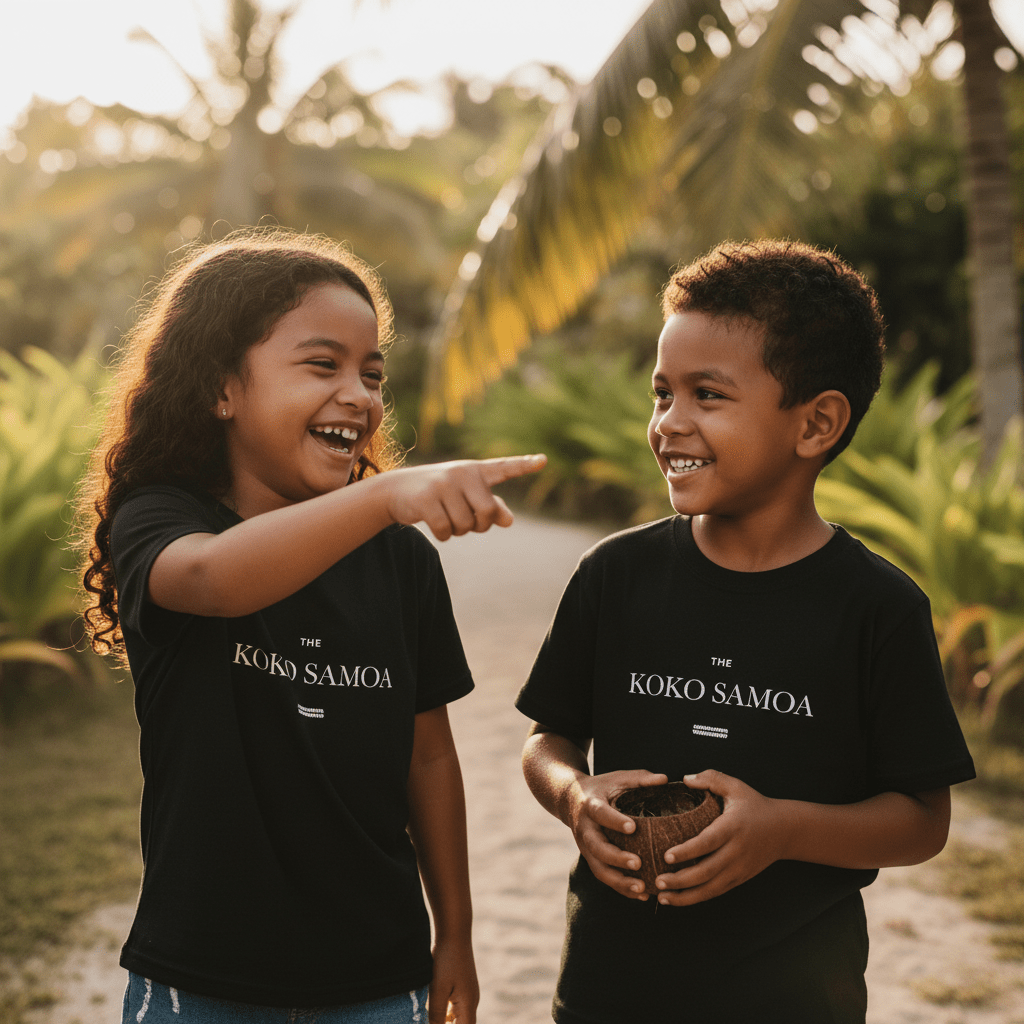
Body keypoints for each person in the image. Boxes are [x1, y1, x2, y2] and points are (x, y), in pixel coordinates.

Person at [78, 227, 545, 1024]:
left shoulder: (399, 563)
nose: (361, 397)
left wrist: (456, 935)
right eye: (323, 365)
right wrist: (384, 497)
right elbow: (211, 580)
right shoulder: (160, 519)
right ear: (221, 387)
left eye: (372, 374)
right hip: (202, 980)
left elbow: (428, 755)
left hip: (377, 981)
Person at [515, 239, 975, 1024]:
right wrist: (574, 796)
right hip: (608, 991)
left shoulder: (878, 608)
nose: (669, 423)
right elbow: (547, 743)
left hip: (795, 999)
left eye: (708, 396)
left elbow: (923, 820)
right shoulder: (614, 576)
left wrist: (782, 831)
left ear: (816, 423)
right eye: (662, 394)